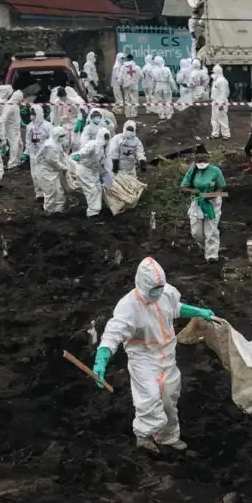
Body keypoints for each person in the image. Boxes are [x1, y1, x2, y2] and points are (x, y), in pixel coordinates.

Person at [92, 257, 217, 454]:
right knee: (149, 400)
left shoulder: (165, 293)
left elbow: (175, 308)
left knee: (169, 401)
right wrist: (101, 360)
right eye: (154, 290)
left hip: (167, 356)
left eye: (160, 288)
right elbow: (112, 335)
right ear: (142, 285)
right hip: (144, 360)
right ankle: (143, 437)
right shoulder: (129, 307)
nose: (158, 294)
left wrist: (197, 311)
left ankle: (168, 437)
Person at [179, 145, 226, 262]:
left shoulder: (215, 171)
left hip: (212, 202)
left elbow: (221, 188)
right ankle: (204, 246)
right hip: (197, 202)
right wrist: (192, 190)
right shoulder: (193, 171)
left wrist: (212, 195)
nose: (202, 169)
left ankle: (211, 256)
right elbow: (183, 187)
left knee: (211, 230)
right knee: (196, 232)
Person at [72, 127, 112, 217]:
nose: (105, 141)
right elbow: (84, 151)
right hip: (84, 169)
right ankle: (92, 213)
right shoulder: (92, 145)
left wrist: (107, 180)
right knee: (92, 190)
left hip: (94, 171)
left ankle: (96, 210)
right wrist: (79, 155)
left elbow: (104, 165)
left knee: (98, 188)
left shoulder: (105, 150)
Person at [34, 126, 70, 214]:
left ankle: (58, 209)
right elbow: (53, 162)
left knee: (59, 191)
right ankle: (48, 210)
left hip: (54, 171)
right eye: (61, 136)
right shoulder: (50, 146)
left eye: (63, 135)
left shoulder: (56, 143)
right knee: (51, 192)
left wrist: (68, 162)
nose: (62, 138)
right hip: (46, 172)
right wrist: (64, 167)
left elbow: (62, 155)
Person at [23, 104, 52, 202]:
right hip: (33, 154)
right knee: (34, 175)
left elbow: (51, 140)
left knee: (43, 174)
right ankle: (39, 194)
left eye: (34, 114)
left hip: (44, 155)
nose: (32, 116)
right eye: (31, 113)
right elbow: (28, 140)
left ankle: (46, 194)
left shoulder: (47, 126)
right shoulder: (30, 126)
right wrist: (26, 152)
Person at [209, 64, 231, 140]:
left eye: (214, 72)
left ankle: (226, 134)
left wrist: (221, 103)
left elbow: (223, 92)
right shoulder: (216, 80)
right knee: (214, 118)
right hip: (215, 101)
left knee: (222, 117)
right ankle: (215, 133)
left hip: (220, 101)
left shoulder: (222, 81)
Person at [152, 56, 177, 121]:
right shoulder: (167, 69)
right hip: (166, 86)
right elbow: (170, 80)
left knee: (159, 102)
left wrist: (152, 89)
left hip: (157, 86)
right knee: (168, 100)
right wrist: (174, 88)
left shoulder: (153, 70)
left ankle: (161, 116)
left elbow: (153, 81)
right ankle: (169, 115)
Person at [3, 91, 23, 168]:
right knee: (14, 145)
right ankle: (12, 163)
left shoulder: (14, 105)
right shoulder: (10, 106)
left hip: (16, 128)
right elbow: (4, 119)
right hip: (11, 129)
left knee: (20, 144)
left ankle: (18, 160)